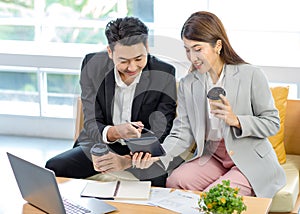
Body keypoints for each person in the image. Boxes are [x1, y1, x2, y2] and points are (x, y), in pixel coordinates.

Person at [132, 11, 286, 198]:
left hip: (249, 160)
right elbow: (182, 132)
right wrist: (159, 156)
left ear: (218, 45)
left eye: (198, 48)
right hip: (213, 157)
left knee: (215, 198)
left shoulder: (251, 75)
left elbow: (272, 123)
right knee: (175, 181)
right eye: (187, 49)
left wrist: (236, 120)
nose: (192, 57)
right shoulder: (188, 83)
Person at [45, 17, 178, 187]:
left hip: (140, 151)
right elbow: (92, 121)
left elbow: (163, 127)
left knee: (158, 180)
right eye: (123, 61)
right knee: (54, 167)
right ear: (110, 52)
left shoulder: (164, 72)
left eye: (139, 59)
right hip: (100, 143)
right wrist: (116, 132)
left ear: (147, 48)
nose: (132, 68)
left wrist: (127, 159)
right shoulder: (92, 66)